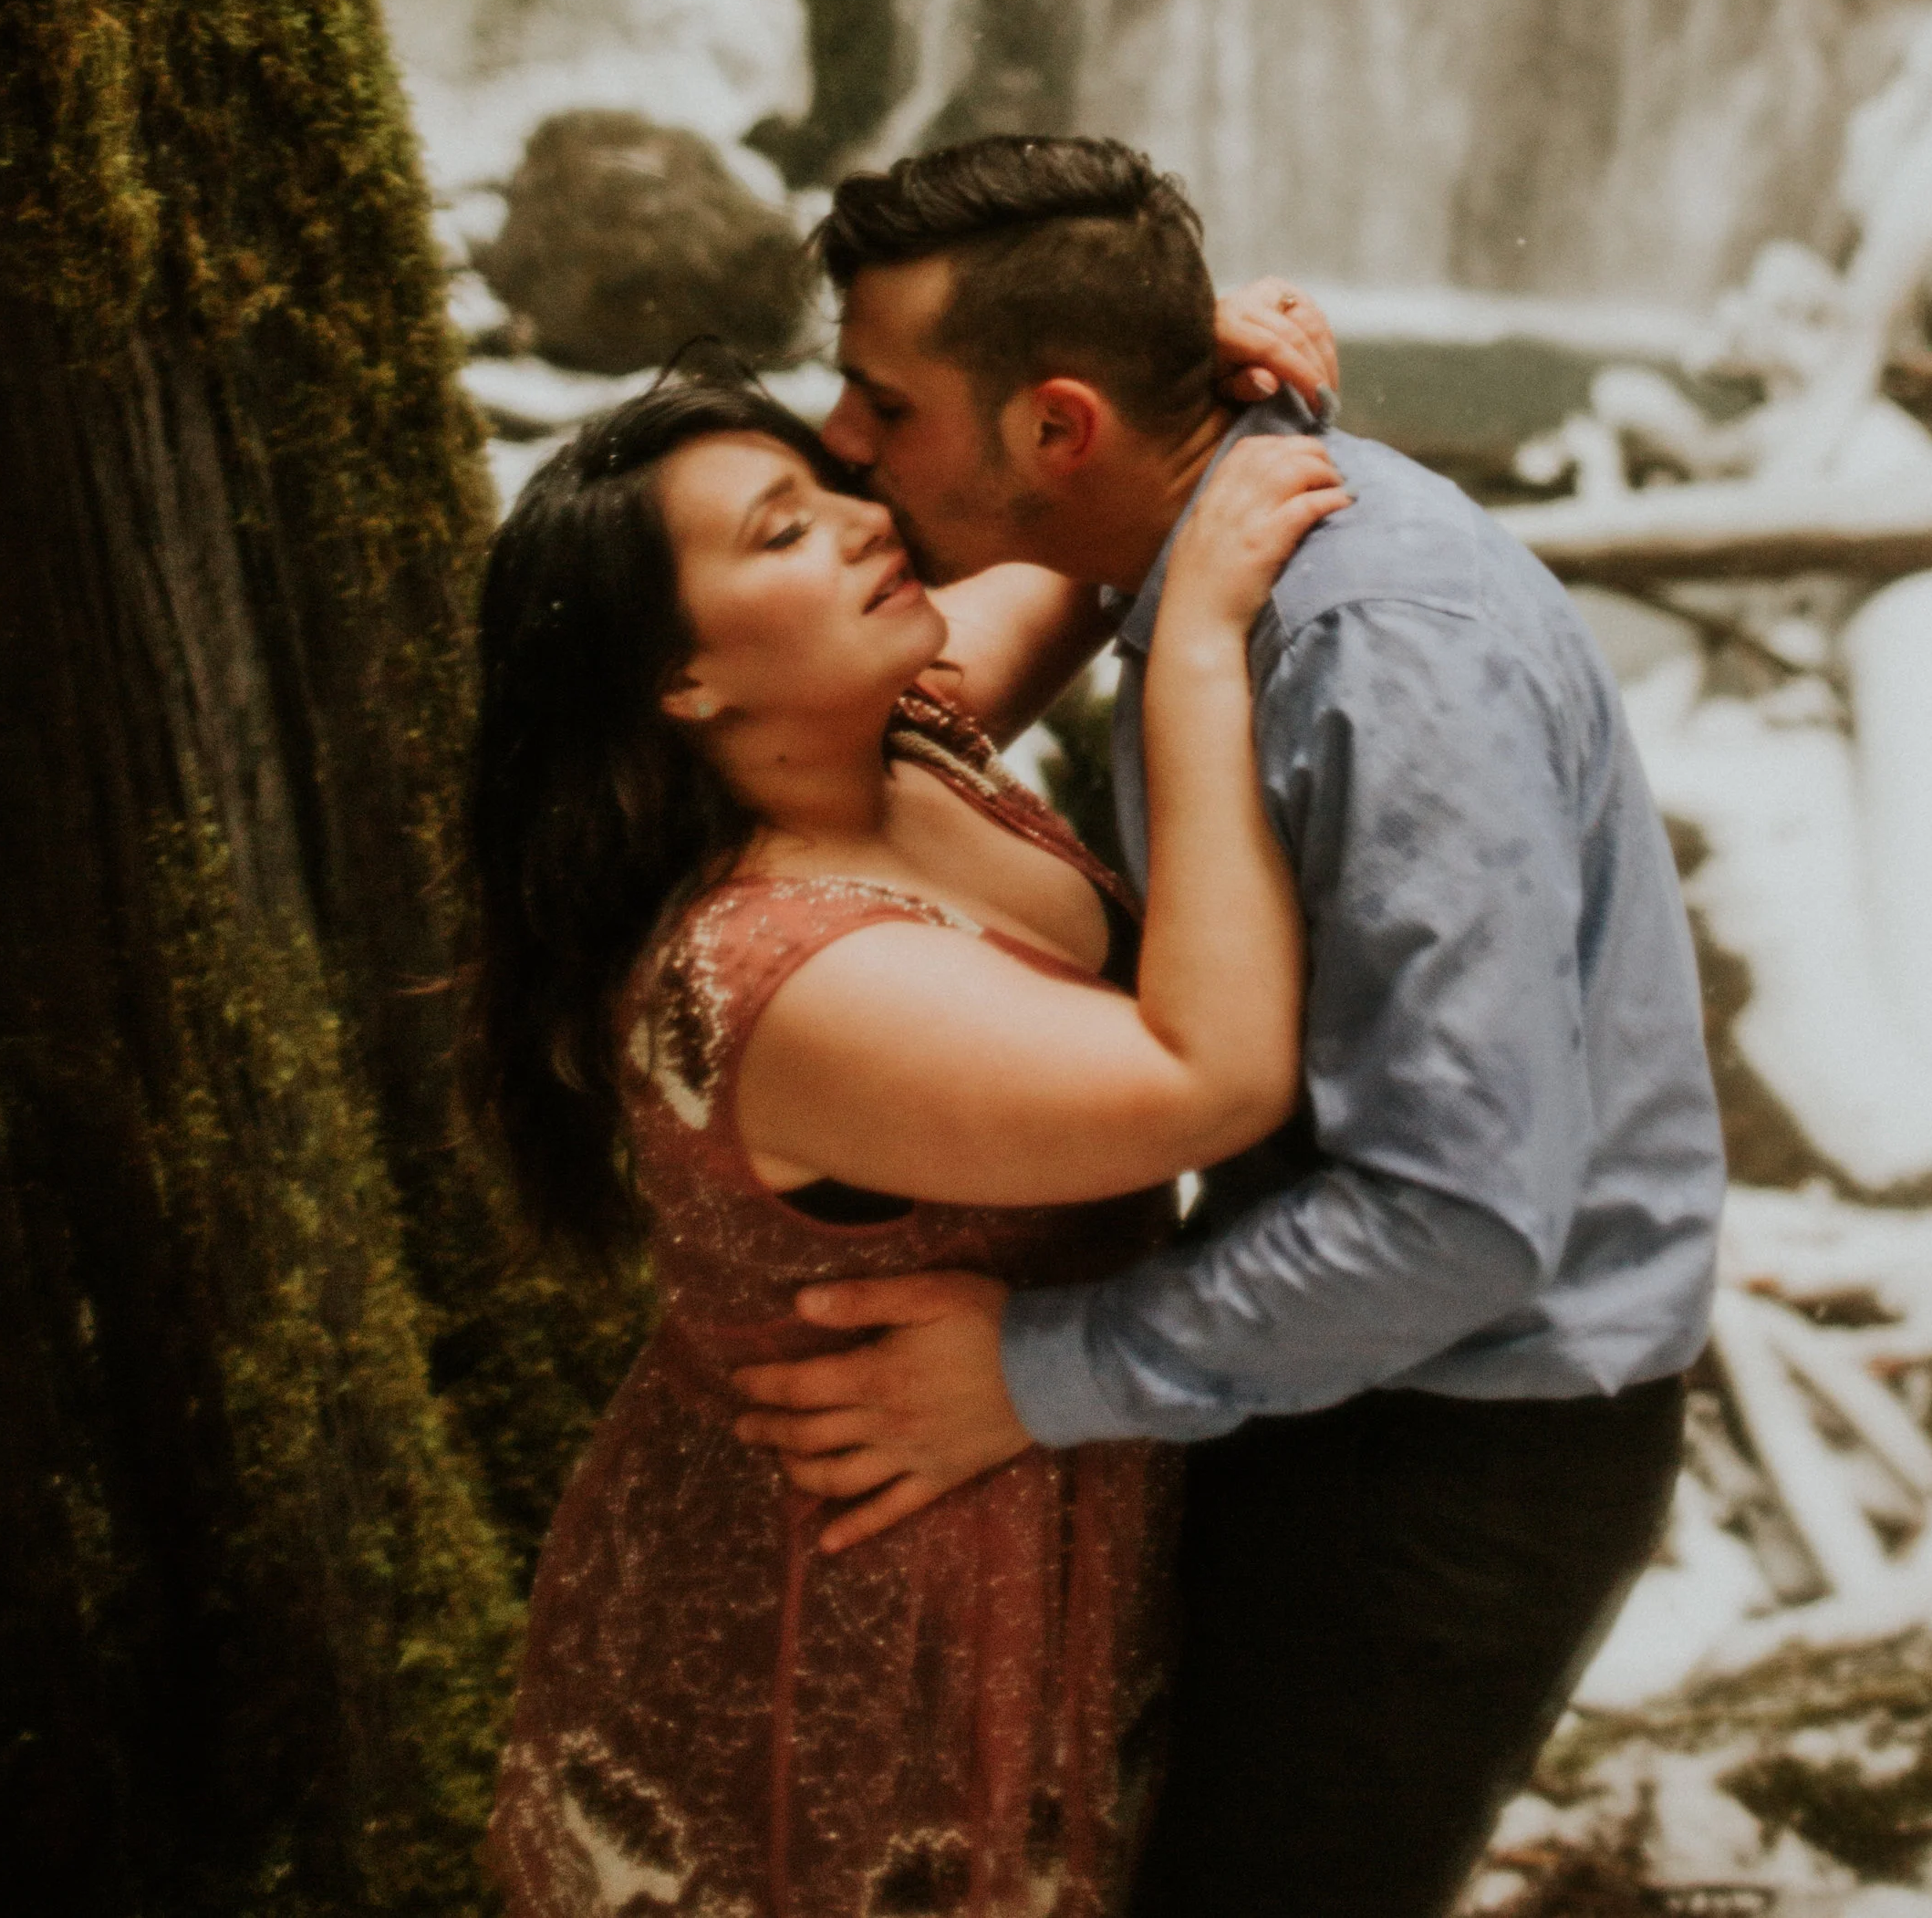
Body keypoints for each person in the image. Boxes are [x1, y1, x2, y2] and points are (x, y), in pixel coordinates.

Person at [730, 137, 1727, 1918]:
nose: (843, 443)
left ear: (1057, 431)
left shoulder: (1371, 648)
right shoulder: (1193, 542)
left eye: (878, 401)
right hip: (1326, 1362)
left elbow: (1460, 1214)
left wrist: (1032, 1376)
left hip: (1464, 1432)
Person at [468, 341, 1347, 1918]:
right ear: (687, 682)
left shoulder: (902, 734)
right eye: (781, 531)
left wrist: (1159, 348)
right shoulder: (772, 983)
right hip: (853, 1592)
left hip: (1016, 1480)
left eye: (835, 486)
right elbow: (1211, 1078)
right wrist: (1203, 647)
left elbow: (1072, 561)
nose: (868, 522)